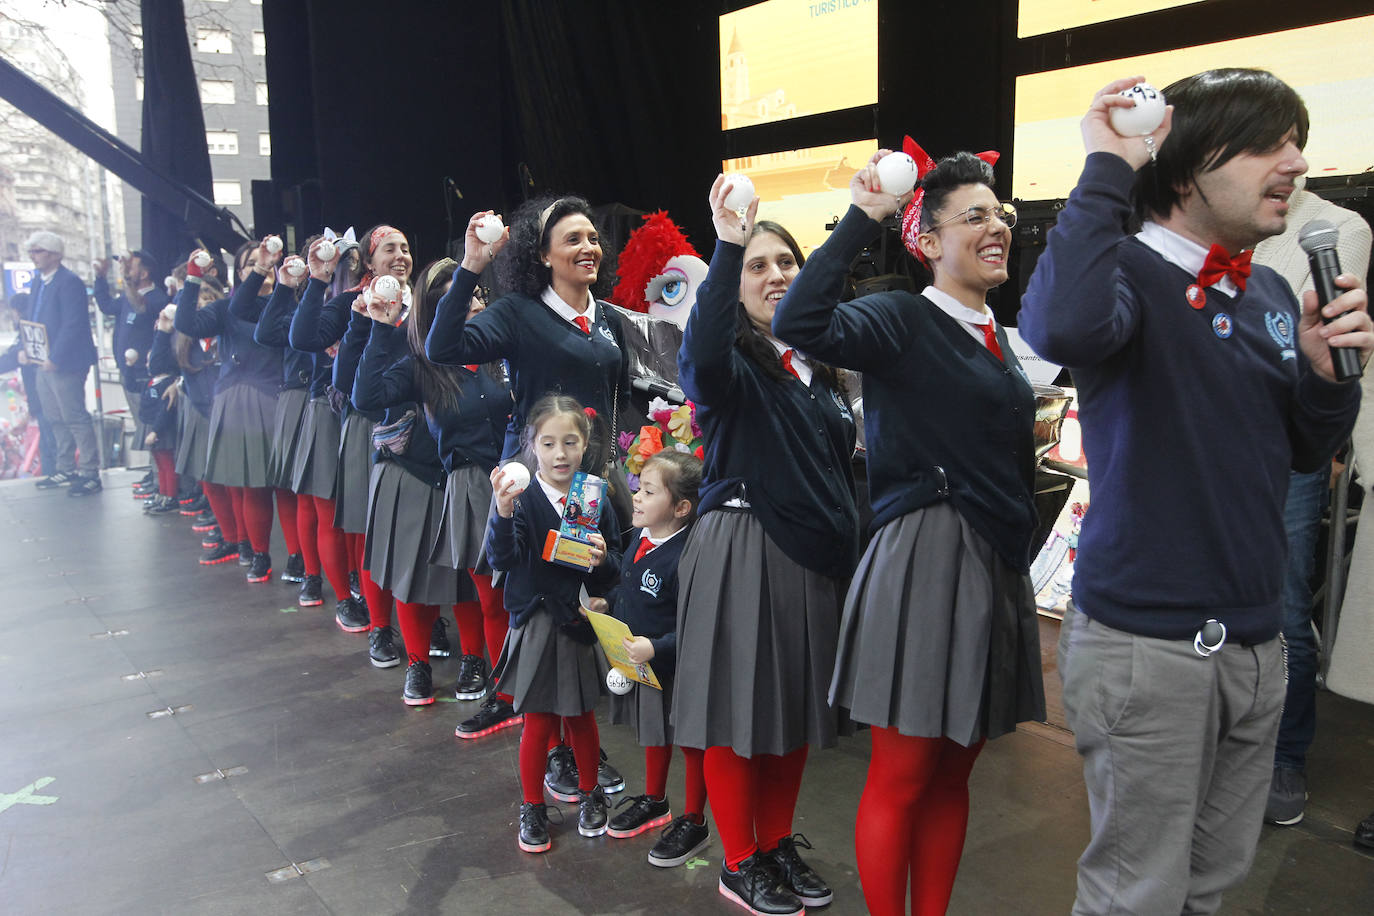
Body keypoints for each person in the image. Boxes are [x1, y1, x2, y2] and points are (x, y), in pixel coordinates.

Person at [1018, 70, 1371, 915]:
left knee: (1211, 886)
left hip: (1257, 647)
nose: (1295, 162)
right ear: (1182, 170)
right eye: (1266, 144)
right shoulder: (1124, 273)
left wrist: (1327, 379)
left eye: (1296, 141)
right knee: (1135, 895)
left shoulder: (1271, 291)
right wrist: (1108, 163)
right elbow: (1057, 326)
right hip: (1150, 646)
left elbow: (1301, 451)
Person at [774, 147, 1047, 915]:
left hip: (990, 563)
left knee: (955, 776)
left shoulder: (996, 333)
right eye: (975, 217)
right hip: (928, 560)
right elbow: (800, 319)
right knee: (903, 774)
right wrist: (864, 216)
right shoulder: (901, 317)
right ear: (925, 240)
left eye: (1001, 215)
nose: (996, 228)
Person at [673, 177, 858, 916]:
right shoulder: (729, 366)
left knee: (790, 715)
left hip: (811, 560)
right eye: (759, 265)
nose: (776, 274)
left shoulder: (818, 366)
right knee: (735, 712)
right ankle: (739, 858)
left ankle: (775, 843)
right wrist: (724, 244)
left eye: (787, 262)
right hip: (743, 550)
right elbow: (704, 348)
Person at [1249, 187, 1371, 826]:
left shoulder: (1335, 226)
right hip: (1207, 438)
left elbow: (1304, 347)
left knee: (1286, 603)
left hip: (1286, 441)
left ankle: (1285, 755)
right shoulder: (1210, 220)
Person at [486, 395, 620, 854]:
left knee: (581, 715)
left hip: (579, 621)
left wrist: (602, 566)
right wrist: (502, 514)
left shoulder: (592, 496)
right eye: (548, 443)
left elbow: (613, 567)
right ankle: (531, 806)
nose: (560, 454)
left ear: (585, 445)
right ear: (532, 446)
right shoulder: (520, 498)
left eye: (570, 442)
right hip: (537, 622)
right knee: (537, 721)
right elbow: (499, 558)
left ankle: (588, 794)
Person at [351, 259, 475, 704]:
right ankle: (418, 664)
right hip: (414, 470)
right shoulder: (411, 348)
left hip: (467, 474)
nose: (460, 302)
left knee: (468, 580)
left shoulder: (484, 343)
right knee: (410, 574)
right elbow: (365, 397)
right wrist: (379, 328)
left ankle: (474, 661)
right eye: (441, 296)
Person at [587, 449, 711, 868]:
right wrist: (609, 597)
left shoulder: (690, 556)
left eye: (648, 491)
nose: (635, 497)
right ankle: (656, 801)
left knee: (693, 745)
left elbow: (698, 624)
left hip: (679, 669)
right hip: (647, 668)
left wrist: (657, 647)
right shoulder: (641, 535)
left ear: (681, 507)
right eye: (638, 488)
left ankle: (695, 820)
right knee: (653, 734)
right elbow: (632, 584)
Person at [398, 241, 512, 701]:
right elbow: (364, 394)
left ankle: (552, 686)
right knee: (493, 599)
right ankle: (508, 693)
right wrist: (378, 326)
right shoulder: (423, 365)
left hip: (525, 475)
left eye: (471, 294)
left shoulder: (501, 345)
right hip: (472, 488)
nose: (469, 303)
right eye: (451, 299)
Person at [175, 243, 283, 583]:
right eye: (251, 264)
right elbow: (187, 322)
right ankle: (255, 551)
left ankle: (299, 561)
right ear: (239, 274)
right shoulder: (226, 308)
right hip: (238, 400)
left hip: (283, 399)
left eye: (265, 263)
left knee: (290, 492)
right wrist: (193, 280)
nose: (260, 268)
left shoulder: (289, 304)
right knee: (248, 485)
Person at [8, 231, 101, 495]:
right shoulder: (39, 281)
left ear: (55, 254)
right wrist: (29, 349)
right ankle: (65, 468)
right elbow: (34, 319)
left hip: (66, 363)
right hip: (41, 360)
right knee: (54, 416)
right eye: (32, 252)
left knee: (74, 416)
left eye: (38, 251)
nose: (33, 256)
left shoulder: (69, 282)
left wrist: (55, 357)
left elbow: (73, 324)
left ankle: (89, 472)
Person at [93, 251, 165, 459]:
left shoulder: (156, 298)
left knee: (149, 424)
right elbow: (106, 306)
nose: (125, 271)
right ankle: (153, 472)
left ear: (144, 274)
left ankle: (159, 475)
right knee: (140, 421)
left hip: (145, 373)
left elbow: (140, 307)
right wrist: (100, 279)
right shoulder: (127, 298)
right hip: (129, 371)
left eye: (130, 267)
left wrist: (125, 279)